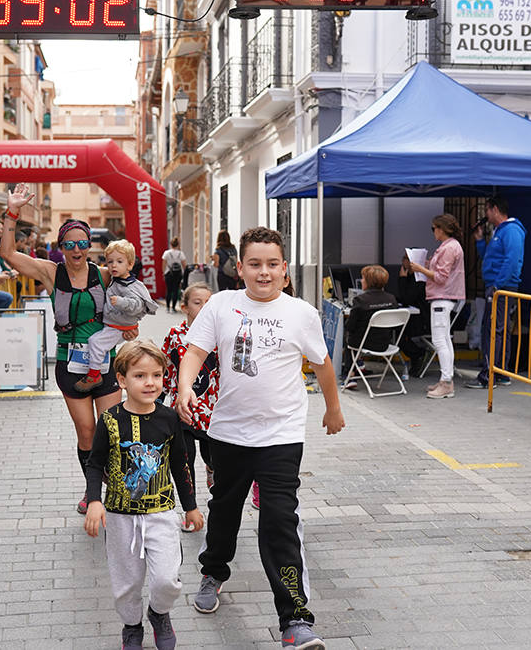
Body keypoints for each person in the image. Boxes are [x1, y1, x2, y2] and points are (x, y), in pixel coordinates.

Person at [177, 226, 345, 650]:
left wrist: (333, 407)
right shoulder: (221, 305)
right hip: (229, 433)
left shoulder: (300, 313)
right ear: (240, 268)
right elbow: (195, 350)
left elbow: (322, 364)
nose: (264, 272)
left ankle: (295, 620)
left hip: (281, 435)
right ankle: (213, 571)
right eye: (255, 264)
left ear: (285, 270)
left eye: (272, 264)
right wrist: (183, 387)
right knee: (226, 509)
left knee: (279, 521)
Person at [0, 183, 138, 514]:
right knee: (87, 433)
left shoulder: (105, 274)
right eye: (70, 244)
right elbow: (7, 254)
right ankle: (92, 492)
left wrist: (130, 328)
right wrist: (12, 213)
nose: (77, 250)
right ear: (61, 246)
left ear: (90, 245)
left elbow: (128, 306)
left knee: (110, 429)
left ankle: (111, 490)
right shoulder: (51, 273)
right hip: (69, 363)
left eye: (82, 244)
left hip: (104, 362)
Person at [84, 341, 203, 650]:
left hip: (162, 513)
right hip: (120, 517)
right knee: (127, 584)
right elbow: (95, 463)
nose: (150, 383)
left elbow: (180, 464)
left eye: (157, 375)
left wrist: (190, 507)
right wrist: (95, 500)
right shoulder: (110, 420)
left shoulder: (169, 418)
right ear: (122, 380)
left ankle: (159, 614)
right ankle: (132, 625)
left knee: (167, 579)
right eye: (140, 376)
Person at [161, 282, 217, 520]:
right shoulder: (175, 335)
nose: (204, 307)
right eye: (197, 303)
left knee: (213, 457)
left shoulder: (220, 335)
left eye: (208, 303)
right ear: (184, 307)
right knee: (185, 459)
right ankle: (190, 508)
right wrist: (158, 399)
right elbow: (165, 368)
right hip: (181, 409)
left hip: (213, 411)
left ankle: (212, 470)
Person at [75, 240, 158, 393]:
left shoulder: (128, 285)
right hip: (116, 324)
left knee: (96, 342)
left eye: (119, 261)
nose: (113, 265)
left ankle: (94, 375)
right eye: (110, 262)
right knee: (100, 345)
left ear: (130, 265)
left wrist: (120, 302)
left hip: (118, 326)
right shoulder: (118, 280)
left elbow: (137, 305)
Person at [466, 195, 526, 389]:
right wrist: (480, 241)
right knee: (499, 329)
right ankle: (500, 372)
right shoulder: (501, 231)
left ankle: (488, 374)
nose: (485, 214)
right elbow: (491, 258)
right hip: (499, 285)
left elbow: (511, 260)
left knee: (493, 330)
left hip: (502, 287)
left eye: (486, 209)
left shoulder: (511, 231)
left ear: (494, 209)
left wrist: (497, 285)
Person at [409, 213, 466, 400]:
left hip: (442, 297)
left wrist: (420, 269)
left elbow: (441, 277)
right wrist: (425, 265)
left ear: (442, 229)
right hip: (445, 297)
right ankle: (445, 381)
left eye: (434, 228)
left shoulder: (448, 248)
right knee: (445, 341)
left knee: (440, 341)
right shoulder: (450, 246)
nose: (433, 232)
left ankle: (447, 382)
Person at [345, 265, 400, 356]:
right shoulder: (391, 299)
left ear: (368, 282)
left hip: (362, 343)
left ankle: (351, 369)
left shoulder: (360, 300)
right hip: (384, 344)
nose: (361, 281)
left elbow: (350, 326)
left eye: (363, 279)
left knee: (347, 337)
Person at [161, 237, 187, 313]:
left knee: (169, 290)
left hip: (169, 273)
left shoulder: (167, 253)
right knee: (176, 290)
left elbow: (164, 264)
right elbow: (184, 265)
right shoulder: (180, 253)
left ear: (171, 244)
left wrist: (164, 272)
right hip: (178, 274)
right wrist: (185, 273)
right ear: (178, 245)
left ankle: (168, 307)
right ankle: (174, 308)